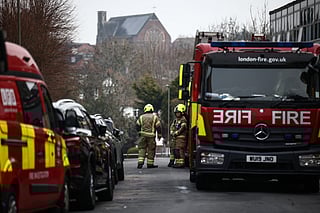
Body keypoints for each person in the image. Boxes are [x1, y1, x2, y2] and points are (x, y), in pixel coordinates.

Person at [136, 104, 162, 169]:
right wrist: (159, 135)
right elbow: (158, 126)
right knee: (151, 149)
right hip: (151, 136)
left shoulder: (141, 117)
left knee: (142, 149)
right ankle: (150, 164)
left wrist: (139, 132)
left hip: (143, 136)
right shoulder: (155, 117)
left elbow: (137, 125)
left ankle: (140, 163)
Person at [169, 104, 187, 168]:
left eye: (178, 113)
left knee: (180, 150)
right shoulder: (175, 120)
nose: (177, 114)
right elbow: (172, 126)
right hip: (176, 138)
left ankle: (181, 163)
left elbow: (182, 128)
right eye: (176, 113)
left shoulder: (183, 120)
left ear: (182, 112)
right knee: (175, 150)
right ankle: (177, 163)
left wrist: (176, 133)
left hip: (181, 138)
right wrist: (171, 131)